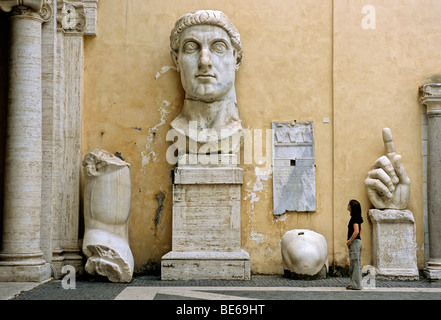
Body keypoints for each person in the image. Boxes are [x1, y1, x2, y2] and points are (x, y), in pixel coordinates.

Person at [346, 199, 363, 290]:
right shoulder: (357, 217)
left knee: (355, 264)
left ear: (352, 207)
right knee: (356, 263)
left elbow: (356, 231)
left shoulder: (355, 218)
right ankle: (355, 283)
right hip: (358, 242)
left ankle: (355, 285)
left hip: (355, 243)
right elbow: (361, 230)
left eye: (349, 204)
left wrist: (350, 241)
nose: (347, 205)